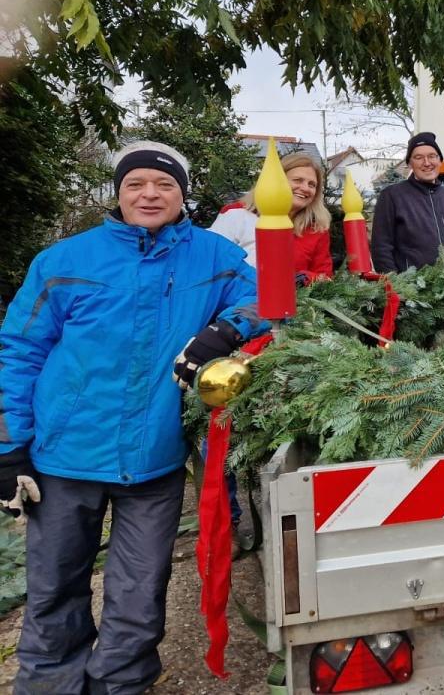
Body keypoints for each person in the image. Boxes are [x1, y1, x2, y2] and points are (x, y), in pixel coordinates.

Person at [0, 141, 267, 694]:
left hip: (155, 459)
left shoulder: (213, 256)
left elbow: (271, 294)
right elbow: (19, 351)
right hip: (64, 455)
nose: (150, 194)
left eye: (164, 185)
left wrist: (225, 330)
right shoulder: (64, 261)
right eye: (136, 184)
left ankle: (120, 685)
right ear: (118, 193)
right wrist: (8, 446)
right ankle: (50, 684)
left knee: (141, 591)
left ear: (182, 194)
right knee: (54, 589)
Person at [210, 150, 333, 283]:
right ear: (276, 181)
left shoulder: (316, 229)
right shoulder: (236, 214)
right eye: (298, 180)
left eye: (312, 185)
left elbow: (324, 278)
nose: (305, 188)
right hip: (235, 299)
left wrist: (304, 278)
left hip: (295, 301)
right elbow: (210, 261)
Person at [371, 132, 444, 272]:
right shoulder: (392, 196)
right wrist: (397, 288)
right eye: (418, 157)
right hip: (409, 290)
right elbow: (381, 249)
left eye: (432, 156)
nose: (427, 163)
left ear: (440, 160)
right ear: (410, 163)